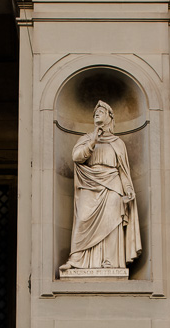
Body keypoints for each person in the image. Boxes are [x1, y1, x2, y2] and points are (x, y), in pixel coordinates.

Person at [59, 100, 142, 272]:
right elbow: (76, 157)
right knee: (83, 219)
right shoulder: (86, 138)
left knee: (112, 222)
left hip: (113, 185)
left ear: (110, 117)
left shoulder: (118, 143)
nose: (97, 113)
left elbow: (123, 171)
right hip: (89, 185)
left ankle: (109, 261)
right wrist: (93, 141)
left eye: (101, 111)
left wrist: (128, 189)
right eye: (95, 112)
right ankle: (77, 259)